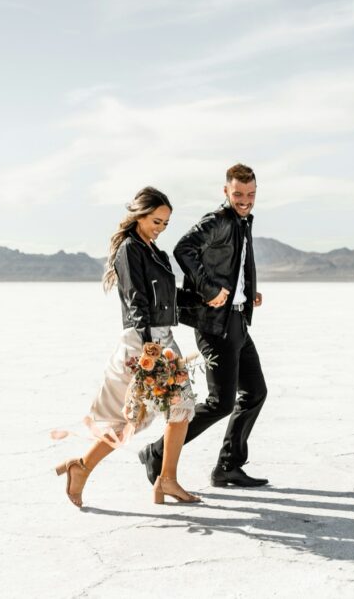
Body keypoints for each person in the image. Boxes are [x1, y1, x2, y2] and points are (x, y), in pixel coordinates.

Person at [53, 187, 201, 507]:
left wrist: (209, 300)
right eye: (156, 221)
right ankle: (88, 469)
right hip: (144, 341)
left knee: (179, 409)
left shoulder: (155, 252)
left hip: (161, 339)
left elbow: (168, 297)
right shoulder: (129, 250)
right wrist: (149, 349)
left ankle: (163, 480)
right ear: (139, 215)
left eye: (165, 224)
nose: (160, 228)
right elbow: (137, 299)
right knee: (153, 414)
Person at [139, 163, 269, 488]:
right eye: (238, 193)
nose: (245, 200)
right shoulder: (219, 220)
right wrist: (209, 289)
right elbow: (184, 249)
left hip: (236, 319)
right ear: (226, 191)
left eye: (250, 194)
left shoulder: (242, 222)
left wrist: (246, 292)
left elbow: (234, 266)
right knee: (220, 402)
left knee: (254, 392)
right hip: (215, 326)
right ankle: (157, 451)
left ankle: (228, 466)